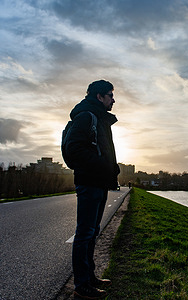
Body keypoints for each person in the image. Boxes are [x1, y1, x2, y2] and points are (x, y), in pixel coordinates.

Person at [63, 80, 120, 299]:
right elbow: (74, 149)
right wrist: (102, 165)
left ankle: (89, 277)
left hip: (99, 182)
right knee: (85, 233)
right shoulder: (87, 116)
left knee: (92, 233)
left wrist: (109, 168)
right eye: (110, 95)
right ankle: (81, 286)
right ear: (99, 97)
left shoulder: (98, 117)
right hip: (89, 182)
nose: (113, 99)